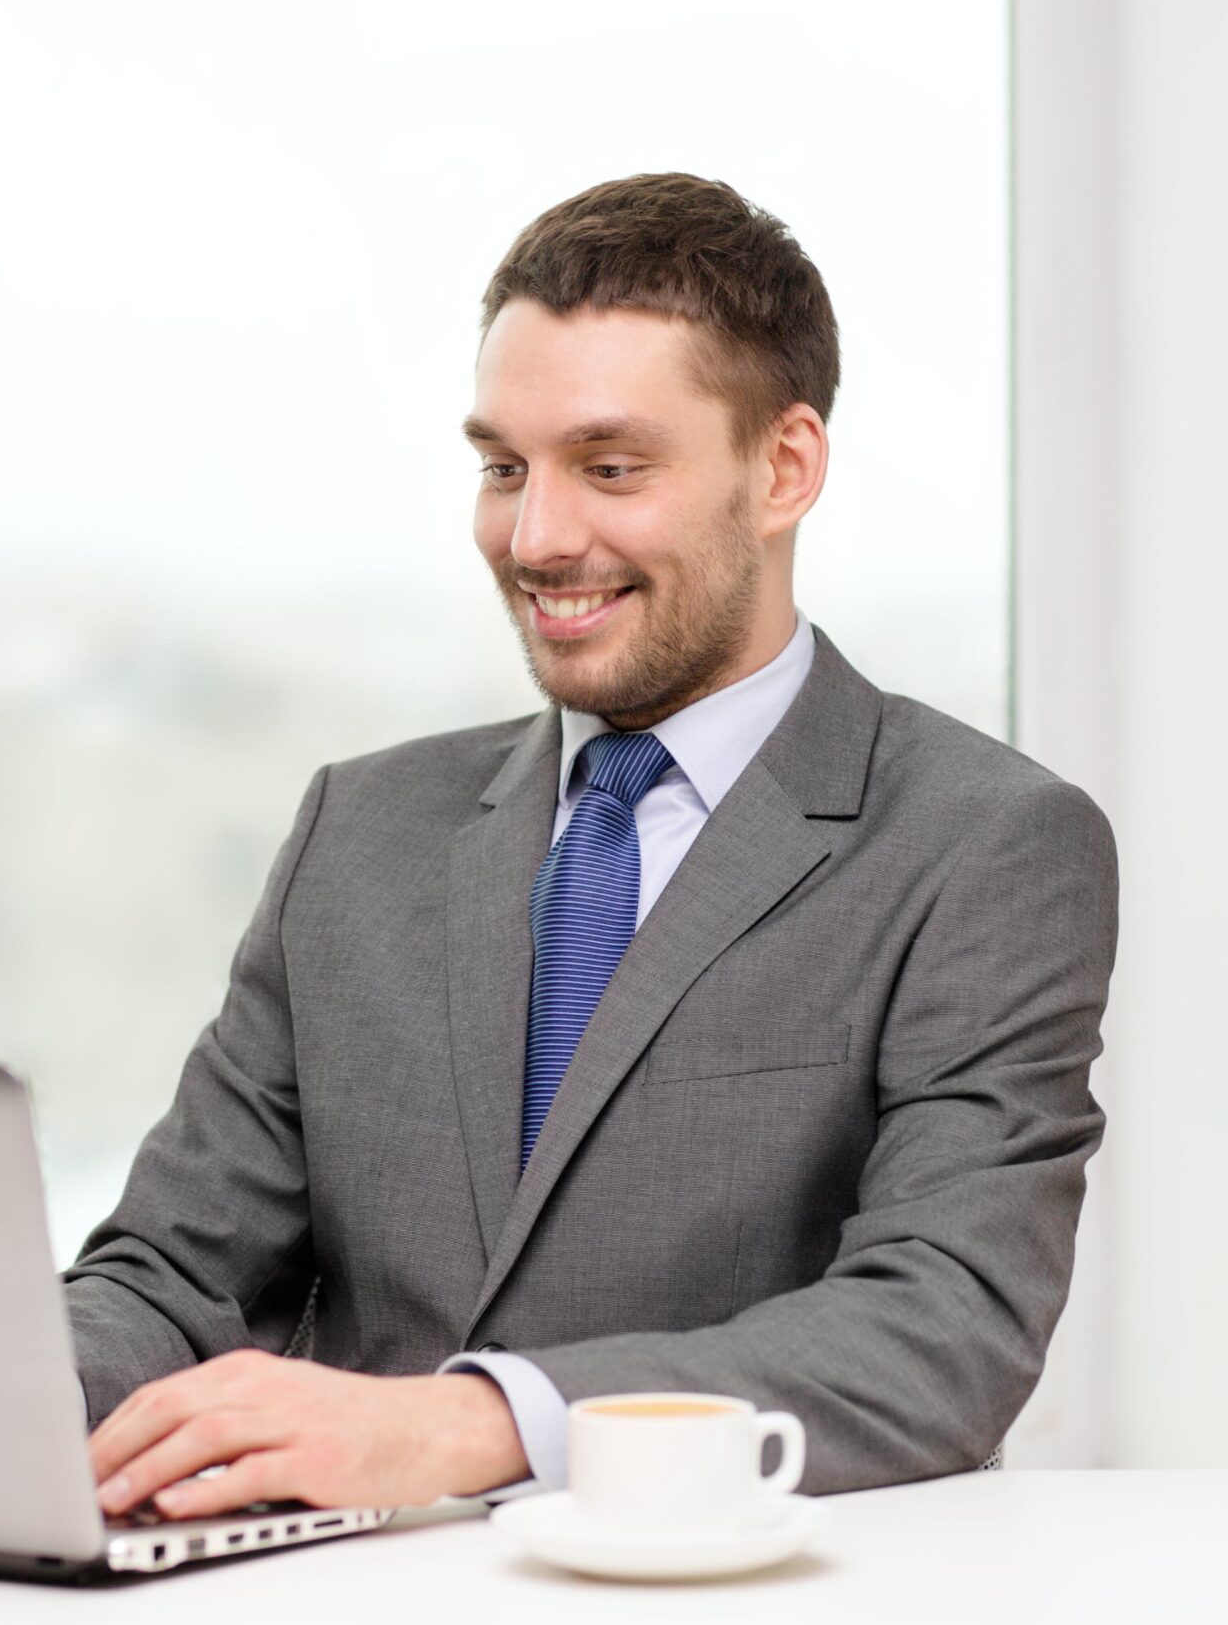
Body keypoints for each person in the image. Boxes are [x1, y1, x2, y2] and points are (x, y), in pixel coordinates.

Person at [68, 172, 1117, 1523]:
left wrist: (469, 1424)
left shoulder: (983, 846)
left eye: (609, 467)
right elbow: (170, 1272)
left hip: (749, 1624)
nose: (538, 536)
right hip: (335, 1622)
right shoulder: (360, 831)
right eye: (504, 467)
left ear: (782, 469)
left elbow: (937, 1333)